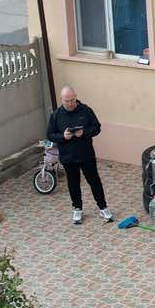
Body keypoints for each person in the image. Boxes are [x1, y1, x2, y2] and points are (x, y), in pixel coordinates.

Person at [47, 86, 111, 224]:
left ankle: (103, 207)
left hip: (86, 154)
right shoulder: (56, 115)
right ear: (61, 100)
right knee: (73, 183)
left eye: (72, 100)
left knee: (94, 181)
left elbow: (97, 127)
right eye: (67, 101)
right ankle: (77, 208)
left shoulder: (86, 110)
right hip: (68, 157)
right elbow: (50, 135)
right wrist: (63, 136)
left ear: (76, 97)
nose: (70, 103)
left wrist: (84, 133)